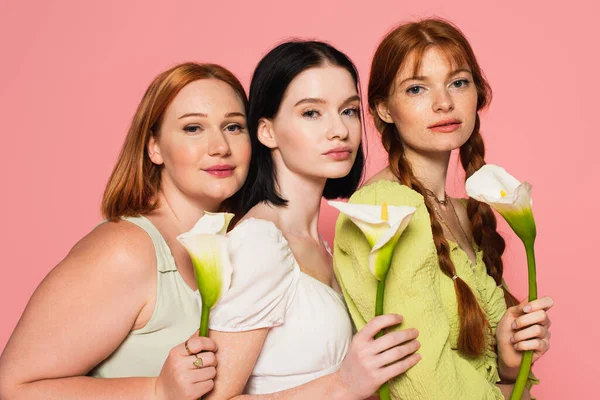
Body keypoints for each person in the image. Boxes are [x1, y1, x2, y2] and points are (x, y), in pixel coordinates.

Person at [0, 62, 251, 400]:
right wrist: (157, 391)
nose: (220, 146)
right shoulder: (126, 250)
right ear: (154, 147)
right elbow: (12, 388)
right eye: (193, 128)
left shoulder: (245, 245)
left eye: (234, 126)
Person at [332, 19, 553, 399]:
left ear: (478, 94)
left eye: (458, 82)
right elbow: (424, 380)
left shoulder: (465, 210)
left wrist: (508, 357)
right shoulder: (386, 206)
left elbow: (477, 369)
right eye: (417, 88)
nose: (444, 103)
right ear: (384, 109)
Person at [204, 41, 421, 399]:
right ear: (266, 131)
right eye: (311, 113)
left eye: (349, 111)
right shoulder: (258, 244)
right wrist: (343, 385)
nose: (339, 130)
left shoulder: (322, 245)